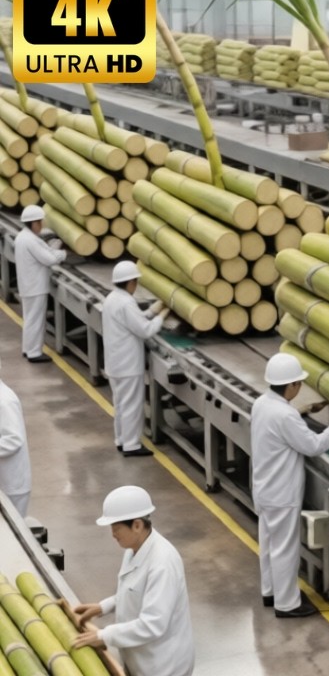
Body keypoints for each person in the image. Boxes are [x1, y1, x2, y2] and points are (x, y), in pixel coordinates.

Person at [252, 353, 329, 618]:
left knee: (270, 544)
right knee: (286, 549)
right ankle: (287, 604)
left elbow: (282, 422)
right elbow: (313, 445)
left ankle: (270, 592)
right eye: (298, 383)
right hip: (282, 493)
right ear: (292, 386)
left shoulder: (261, 404)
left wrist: (303, 411)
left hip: (264, 488)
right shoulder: (285, 415)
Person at [72, 486, 195, 676]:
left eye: (116, 527)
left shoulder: (162, 562)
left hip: (163, 666)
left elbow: (152, 624)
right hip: (140, 659)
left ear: (137, 525)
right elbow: (133, 590)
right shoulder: (134, 547)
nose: (112, 533)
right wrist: (103, 607)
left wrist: (104, 636)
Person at [103, 261, 169, 458]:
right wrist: (162, 317)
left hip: (115, 363)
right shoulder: (126, 302)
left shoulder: (113, 298)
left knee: (121, 404)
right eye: (136, 281)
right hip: (128, 365)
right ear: (131, 282)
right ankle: (131, 445)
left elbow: (135, 319)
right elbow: (145, 329)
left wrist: (152, 311)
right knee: (132, 405)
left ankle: (122, 439)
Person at [14, 205, 66, 363]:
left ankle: (27, 349)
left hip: (28, 285)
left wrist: (53, 251)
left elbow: (45, 251)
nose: (41, 225)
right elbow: (49, 259)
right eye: (40, 222)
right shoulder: (30, 240)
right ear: (34, 223)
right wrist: (62, 254)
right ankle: (34, 353)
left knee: (30, 319)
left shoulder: (23, 237)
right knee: (36, 320)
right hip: (35, 286)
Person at [0, 360, 31, 517]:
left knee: (13, 532)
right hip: (4, 482)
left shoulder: (4, 401)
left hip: (12, 486)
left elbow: (13, 439)